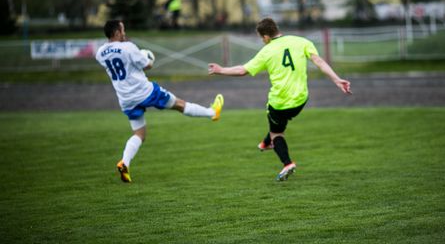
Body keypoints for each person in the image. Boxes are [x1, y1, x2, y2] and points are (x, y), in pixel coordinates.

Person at [208, 18, 351, 181]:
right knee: (278, 122)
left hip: (280, 102)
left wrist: (220, 70)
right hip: (301, 99)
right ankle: (265, 143)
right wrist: (337, 79)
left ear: (266, 37)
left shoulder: (266, 51)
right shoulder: (301, 41)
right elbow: (318, 61)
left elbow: (242, 71)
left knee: (276, 131)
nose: (263, 41)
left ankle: (287, 163)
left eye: (262, 38)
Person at [96, 20, 224, 183]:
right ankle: (213, 113)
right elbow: (147, 65)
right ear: (116, 33)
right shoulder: (128, 47)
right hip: (145, 92)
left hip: (126, 98)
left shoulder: (100, 52)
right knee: (179, 104)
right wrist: (146, 57)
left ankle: (125, 162)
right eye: (122, 30)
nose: (124, 33)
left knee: (139, 135)